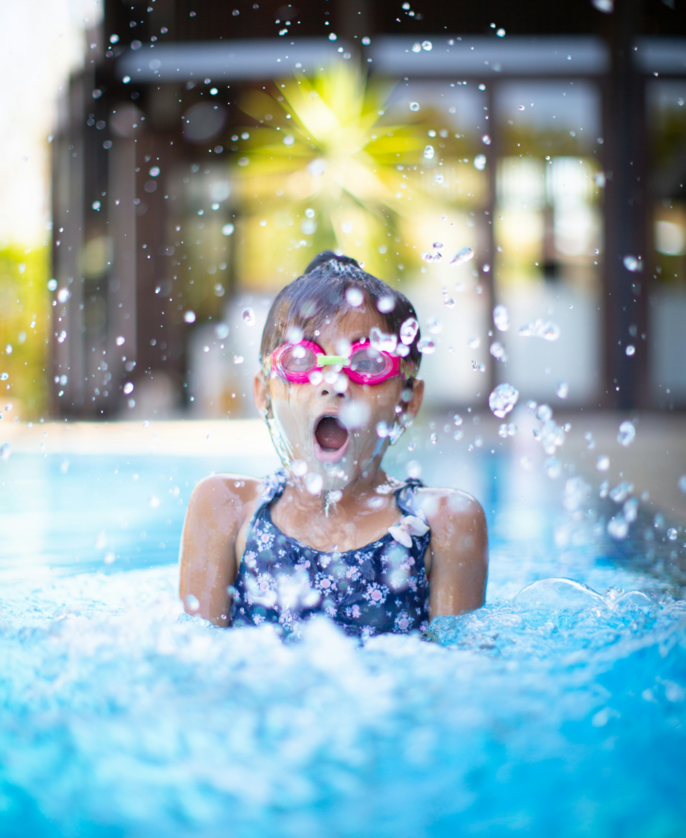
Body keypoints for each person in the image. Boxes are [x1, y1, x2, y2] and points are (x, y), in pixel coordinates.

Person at [179, 252, 488, 638]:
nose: (333, 382)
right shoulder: (226, 508)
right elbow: (196, 669)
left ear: (407, 401)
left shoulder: (443, 521)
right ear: (263, 394)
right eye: (301, 359)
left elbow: (460, 678)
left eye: (369, 363)